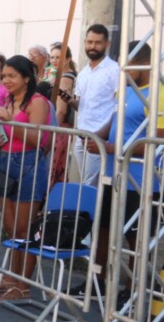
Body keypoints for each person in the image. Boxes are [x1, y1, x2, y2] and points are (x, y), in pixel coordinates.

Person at [77, 41, 163, 298]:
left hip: (141, 180)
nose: (122, 70)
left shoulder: (157, 92)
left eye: (128, 64)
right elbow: (113, 123)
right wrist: (95, 138)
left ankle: (132, 289)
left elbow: (157, 140)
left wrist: (113, 148)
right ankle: (97, 281)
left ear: (143, 62)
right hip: (111, 174)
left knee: (136, 239)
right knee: (102, 229)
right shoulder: (123, 91)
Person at [0, 55, 50, 301]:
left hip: (28, 164)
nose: (6, 80)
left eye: (11, 76)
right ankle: (12, 277)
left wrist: (9, 120)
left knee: (25, 229)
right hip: (6, 161)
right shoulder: (9, 101)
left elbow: (37, 139)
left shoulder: (37, 102)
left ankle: (23, 285)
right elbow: (8, 134)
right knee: (11, 228)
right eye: (4, 76)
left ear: (26, 78)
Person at [63, 24, 119, 186]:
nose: (92, 46)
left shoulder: (113, 70)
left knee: (90, 184)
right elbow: (81, 106)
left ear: (106, 44)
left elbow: (120, 105)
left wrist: (104, 134)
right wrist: (70, 100)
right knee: (87, 182)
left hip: (99, 137)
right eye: (89, 42)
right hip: (81, 136)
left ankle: (91, 212)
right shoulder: (83, 73)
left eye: (97, 42)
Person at [50, 44, 78, 185]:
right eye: (53, 57)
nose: (55, 60)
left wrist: (52, 130)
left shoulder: (66, 77)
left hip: (59, 127)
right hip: (65, 129)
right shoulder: (68, 75)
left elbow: (61, 110)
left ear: (68, 59)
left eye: (59, 57)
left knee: (53, 167)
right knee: (60, 168)